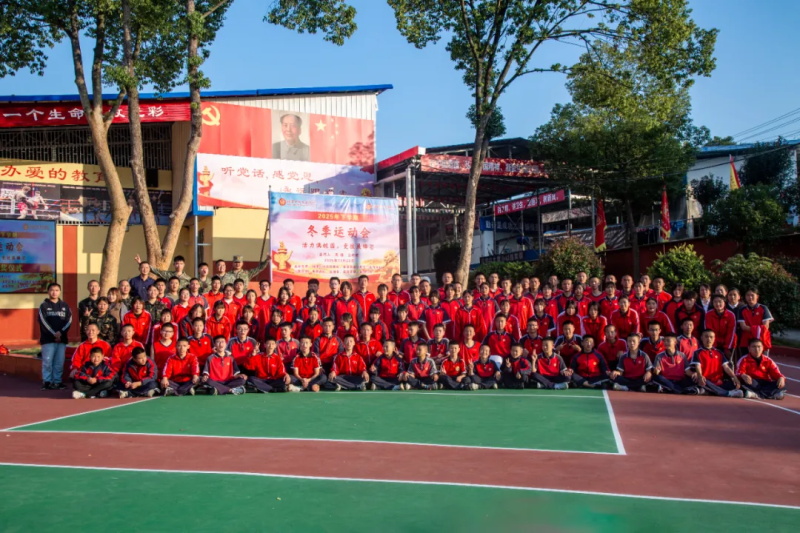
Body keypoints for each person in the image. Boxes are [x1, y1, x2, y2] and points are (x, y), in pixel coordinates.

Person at [688, 329, 743, 398]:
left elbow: (726, 367)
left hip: (718, 382)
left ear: (714, 338)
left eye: (711, 337)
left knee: (734, 383)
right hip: (706, 381)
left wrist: (734, 376)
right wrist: (700, 376)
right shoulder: (697, 352)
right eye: (706, 336)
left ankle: (708, 391)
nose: (709, 339)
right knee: (702, 382)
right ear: (702, 338)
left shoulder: (719, 352)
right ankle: (727, 393)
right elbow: (697, 366)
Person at [38, 282, 72, 390]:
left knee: (59, 362)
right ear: (48, 292)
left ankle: (57, 381)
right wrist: (54, 333)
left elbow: (69, 321)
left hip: (62, 339)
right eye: (52, 290)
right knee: (47, 362)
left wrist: (61, 333)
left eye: (57, 290)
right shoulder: (44, 306)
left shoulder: (65, 306)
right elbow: (43, 321)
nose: (54, 292)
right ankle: (47, 382)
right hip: (48, 339)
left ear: (60, 292)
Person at [738, 289, 773, 355]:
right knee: (746, 359)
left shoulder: (763, 308)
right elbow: (743, 327)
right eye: (748, 295)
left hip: (762, 339)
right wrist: (758, 329)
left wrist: (753, 330)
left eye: (752, 295)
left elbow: (765, 326)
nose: (750, 297)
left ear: (757, 296)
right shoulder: (742, 309)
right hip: (746, 340)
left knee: (762, 360)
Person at [705, 294, 738, 359]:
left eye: (720, 302)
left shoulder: (730, 315)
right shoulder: (708, 314)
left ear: (724, 303)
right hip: (713, 343)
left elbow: (731, 333)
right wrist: (713, 346)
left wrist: (727, 347)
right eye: (715, 302)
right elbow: (709, 331)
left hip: (728, 344)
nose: (717, 304)